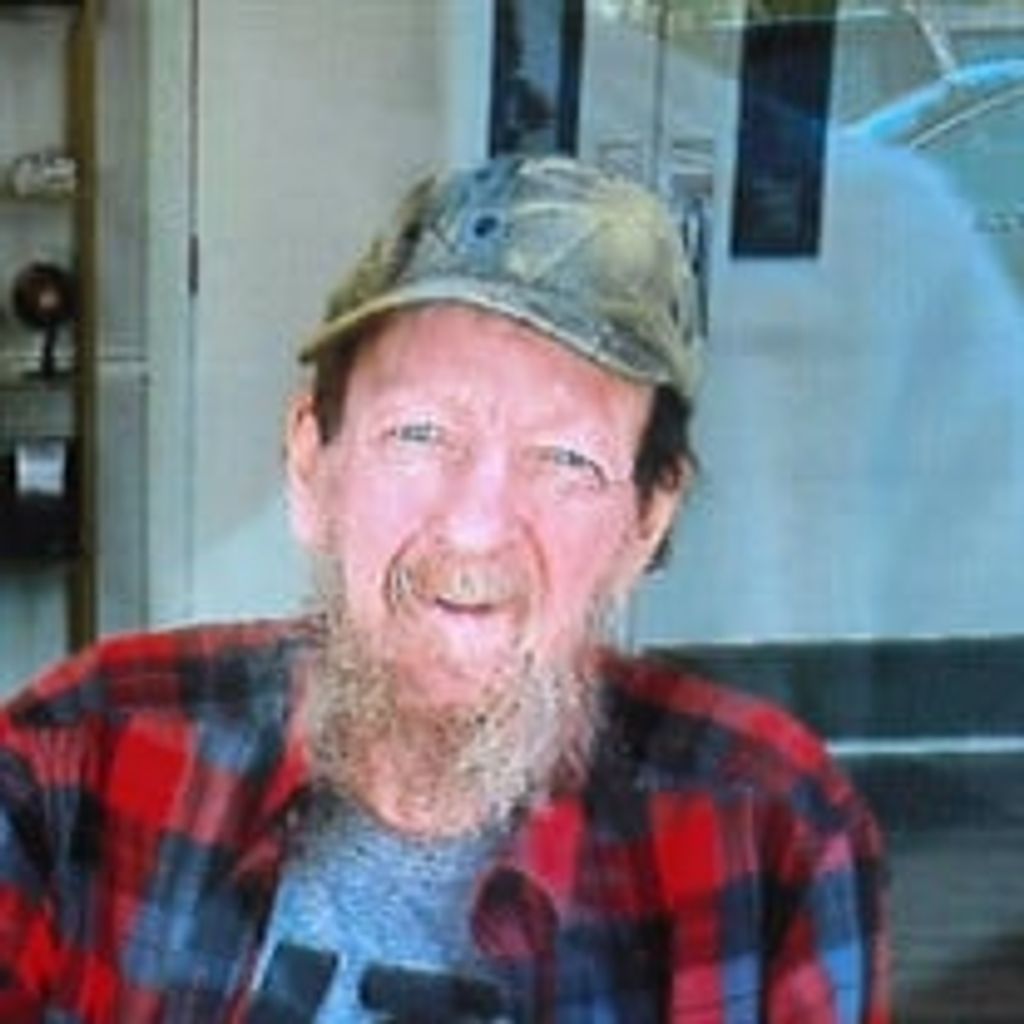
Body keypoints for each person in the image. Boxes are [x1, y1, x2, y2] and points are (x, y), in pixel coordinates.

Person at [0, 154, 889, 1022]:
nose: (473, 526)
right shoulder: (77, 757)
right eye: (419, 434)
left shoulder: (772, 837)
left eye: (565, 459)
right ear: (311, 465)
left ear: (647, 522)